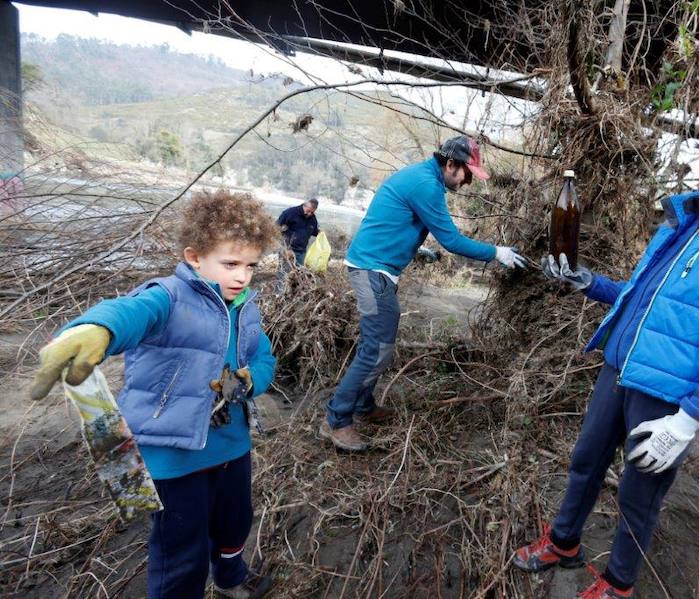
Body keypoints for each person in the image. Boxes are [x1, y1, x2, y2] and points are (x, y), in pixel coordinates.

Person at [512, 104, 699, 598]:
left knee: (640, 491)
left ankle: (619, 582)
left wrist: (688, 420)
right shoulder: (683, 221)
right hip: (619, 367)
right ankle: (563, 542)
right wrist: (592, 284)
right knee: (585, 459)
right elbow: (647, 296)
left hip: (668, 393)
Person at [30, 189, 280, 599]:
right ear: (194, 256)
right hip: (172, 453)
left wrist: (252, 380)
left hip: (232, 446)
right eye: (231, 263)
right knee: (182, 547)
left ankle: (231, 577)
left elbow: (263, 356)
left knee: (235, 521)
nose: (242, 276)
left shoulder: (246, 307)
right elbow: (129, 312)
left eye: (251, 265)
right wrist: (97, 328)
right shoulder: (167, 296)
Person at [319, 135, 527, 451]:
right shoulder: (426, 185)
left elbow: (397, 222)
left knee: (379, 345)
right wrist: (496, 251)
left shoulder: (422, 177)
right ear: (451, 163)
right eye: (466, 174)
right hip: (370, 270)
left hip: (375, 267)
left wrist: (418, 249)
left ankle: (362, 406)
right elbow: (453, 241)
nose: (468, 182)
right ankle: (336, 420)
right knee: (377, 349)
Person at [277, 198, 320, 266]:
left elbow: (314, 231)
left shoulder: (313, 219)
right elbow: (277, 226)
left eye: (312, 212)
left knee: (298, 272)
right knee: (284, 272)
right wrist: (284, 246)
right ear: (304, 205)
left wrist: (321, 233)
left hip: (301, 251)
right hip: (287, 249)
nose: (309, 214)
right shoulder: (290, 213)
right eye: (308, 211)